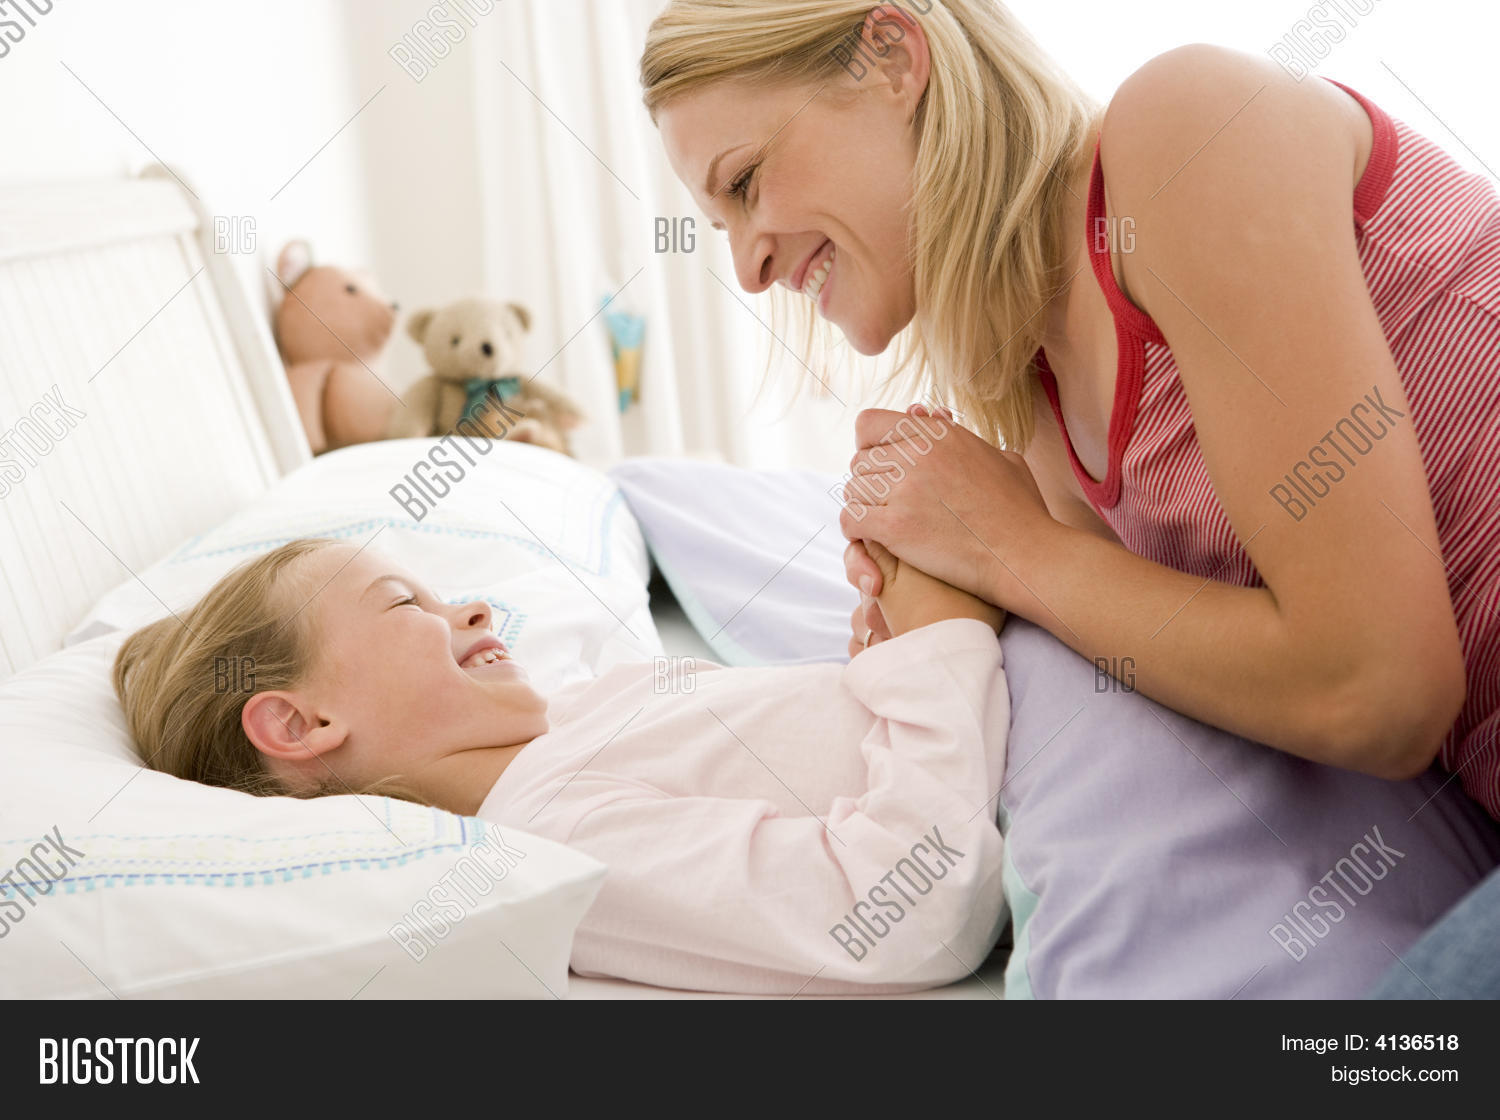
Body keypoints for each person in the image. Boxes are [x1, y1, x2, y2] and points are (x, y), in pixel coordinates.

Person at [640, 0, 1500, 996]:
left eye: (745, 181)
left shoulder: (1187, 132)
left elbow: (1379, 690)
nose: (747, 268)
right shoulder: (1046, 418)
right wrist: (937, 623)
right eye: (719, 225)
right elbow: (1207, 667)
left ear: (892, 57)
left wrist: (1009, 548)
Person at [113, 537, 1009, 995]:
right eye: (403, 604)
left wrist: (880, 665)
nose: (472, 609)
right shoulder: (553, 835)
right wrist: (940, 644)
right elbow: (902, 912)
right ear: (301, 723)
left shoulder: (584, 712)